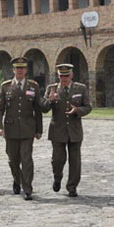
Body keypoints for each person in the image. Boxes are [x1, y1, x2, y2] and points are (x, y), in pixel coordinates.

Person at [0, 57, 43, 201]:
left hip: (28, 129)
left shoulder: (33, 86)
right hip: (10, 130)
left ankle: (27, 188)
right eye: (17, 68)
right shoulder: (6, 86)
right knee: (13, 160)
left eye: (23, 68)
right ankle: (17, 180)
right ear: (14, 70)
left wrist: (38, 130)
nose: (20, 70)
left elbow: (38, 110)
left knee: (26, 158)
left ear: (26, 70)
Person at [41, 64, 92, 197]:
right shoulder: (51, 88)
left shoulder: (80, 88)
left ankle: (72, 187)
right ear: (58, 76)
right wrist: (50, 101)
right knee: (57, 159)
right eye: (61, 75)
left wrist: (78, 110)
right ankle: (57, 177)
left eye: (66, 75)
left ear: (71, 75)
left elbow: (88, 107)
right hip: (57, 130)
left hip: (74, 130)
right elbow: (44, 109)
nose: (64, 78)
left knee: (75, 161)